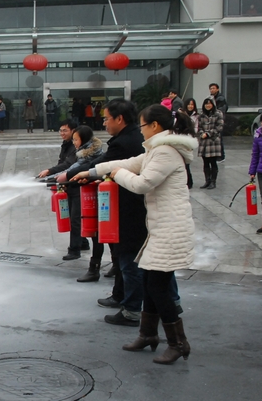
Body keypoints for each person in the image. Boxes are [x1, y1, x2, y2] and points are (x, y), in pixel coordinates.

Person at [88, 104, 197, 365]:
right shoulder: (155, 150)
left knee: (158, 287)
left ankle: (178, 343)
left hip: (170, 229)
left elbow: (142, 183)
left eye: (143, 125)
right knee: (150, 282)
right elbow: (127, 163)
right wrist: (92, 172)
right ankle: (147, 335)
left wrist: (118, 175)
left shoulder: (165, 152)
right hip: (160, 228)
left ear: (155, 126)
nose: (141, 130)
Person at [70, 99, 147, 327]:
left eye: (106, 118)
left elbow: (110, 164)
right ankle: (123, 296)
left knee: (129, 260)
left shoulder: (126, 142)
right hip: (130, 208)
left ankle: (132, 310)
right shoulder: (132, 139)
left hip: (130, 210)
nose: (104, 123)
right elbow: (106, 166)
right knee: (126, 257)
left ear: (119, 119)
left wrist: (82, 174)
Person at [55, 125, 104, 282]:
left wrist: (62, 176)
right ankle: (82, 244)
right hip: (78, 187)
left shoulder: (88, 154)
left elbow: (74, 168)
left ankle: (76, 250)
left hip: (86, 191)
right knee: (80, 220)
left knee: (79, 220)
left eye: (76, 139)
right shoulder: (80, 150)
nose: (74, 142)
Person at [38, 119, 90, 259]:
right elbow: (62, 163)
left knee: (75, 219)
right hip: (70, 184)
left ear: (74, 131)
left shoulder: (80, 149)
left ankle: (74, 250)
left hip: (78, 186)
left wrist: (51, 172)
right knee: (74, 216)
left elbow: (69, 165)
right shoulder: (67, 145)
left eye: (65, 130)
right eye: (60, 130)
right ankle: (83, 242)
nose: (62, 133)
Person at [197, 97, 224, 189]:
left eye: (209, 103)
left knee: (213, 162)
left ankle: (213, 181)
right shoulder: (201, 115)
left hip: (213, 141)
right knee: (205, 162)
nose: (208, 105)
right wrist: (202, 134)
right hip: (204, 141)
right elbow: (199, 127)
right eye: (206, 104)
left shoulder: (218, 113)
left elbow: (219, 126)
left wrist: (208, 133)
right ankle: (207, 181)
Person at [179, 97, 199, 189]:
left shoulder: (196, 116)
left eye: (192, 105)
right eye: (189, 104)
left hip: (189, 140)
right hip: (181, 140)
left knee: (187, 160)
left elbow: (196, 128)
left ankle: (189, 181)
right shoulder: (181, 114)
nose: (190, 106)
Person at [209, 83, 228, 162]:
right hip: (213, 120)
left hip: (219, 120)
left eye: (213, 88)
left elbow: (221, 110)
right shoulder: (211, 97)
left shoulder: (220, 98)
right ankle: (216, 155)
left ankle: (221, 156)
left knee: (219, 138)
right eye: (210, 88)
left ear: (217, 89)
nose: (212, 90)